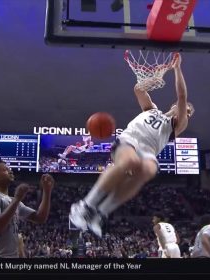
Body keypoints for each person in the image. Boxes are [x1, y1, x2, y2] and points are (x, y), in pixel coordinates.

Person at [69, 53, 194, 237]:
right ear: (173, 105)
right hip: (130, 140)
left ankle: (101, 212)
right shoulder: (151, 109)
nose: (187, 112)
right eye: (186, 109)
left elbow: (182, 96)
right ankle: (86, 205)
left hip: (149, 150)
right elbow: (138, 90)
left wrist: (177, 69)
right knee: (129, 161)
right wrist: (151, 79)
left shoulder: (176, 125)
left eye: (189, 112)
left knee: (149, 170)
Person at [0, 160, 55, 258]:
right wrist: (17, 199)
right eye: (5, 170)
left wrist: (47, 191)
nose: (10, 171)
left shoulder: (13, 201)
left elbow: (40, 218)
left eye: (9, 169)